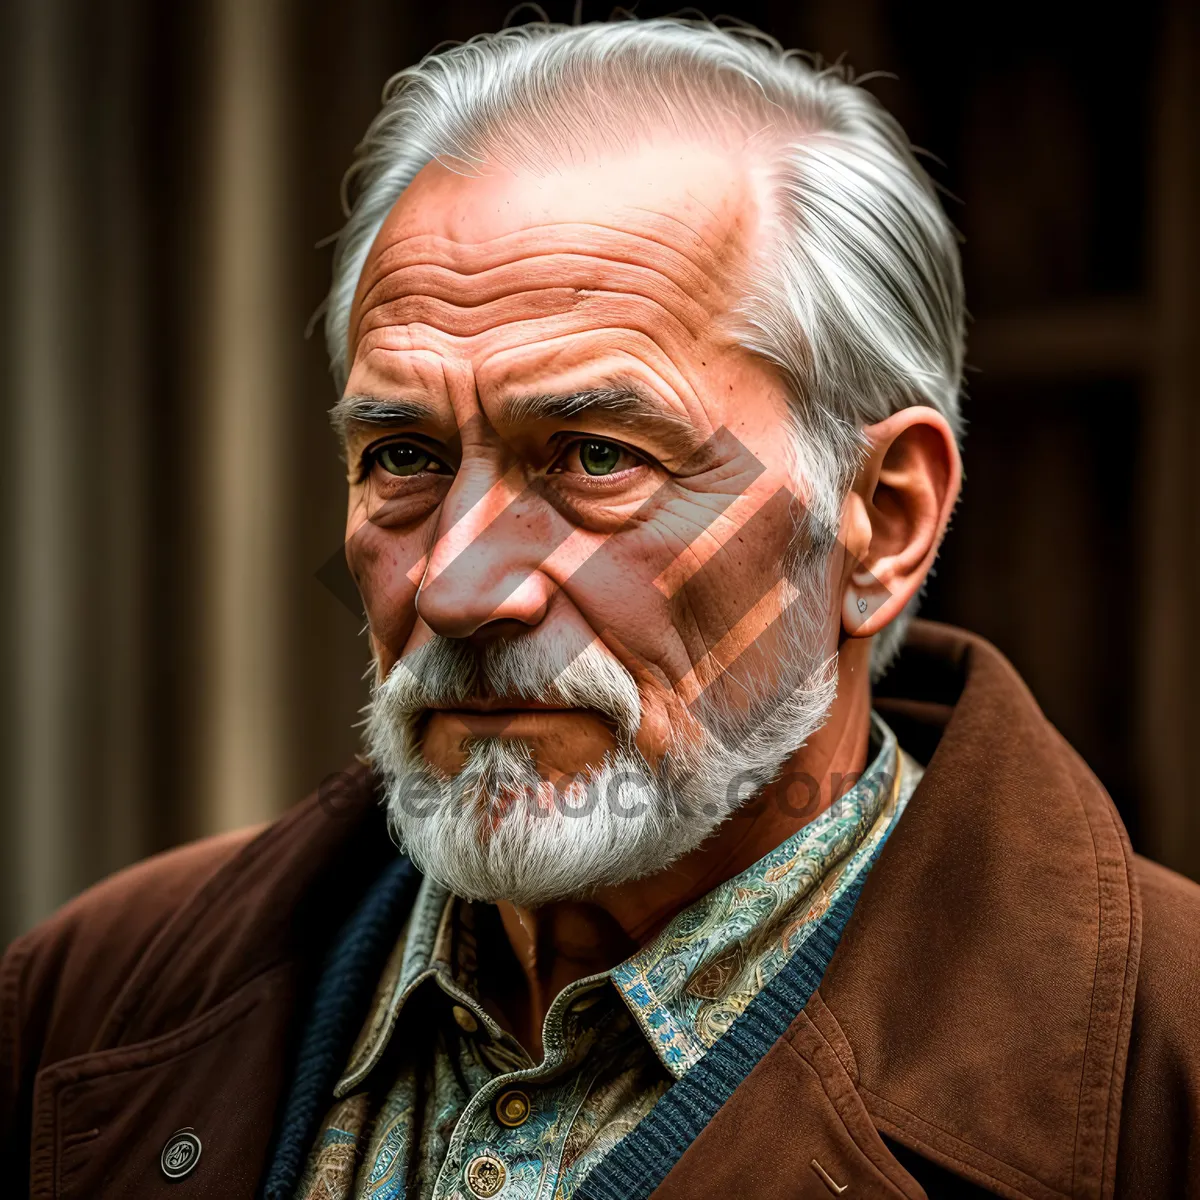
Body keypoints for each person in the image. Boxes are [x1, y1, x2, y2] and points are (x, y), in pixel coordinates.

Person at [3, 18, 1198, 1199]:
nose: (459, 589)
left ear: (880, 520)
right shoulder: (93, 1000)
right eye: (406, 456)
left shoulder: (1167, 1080)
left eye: (593, 458)